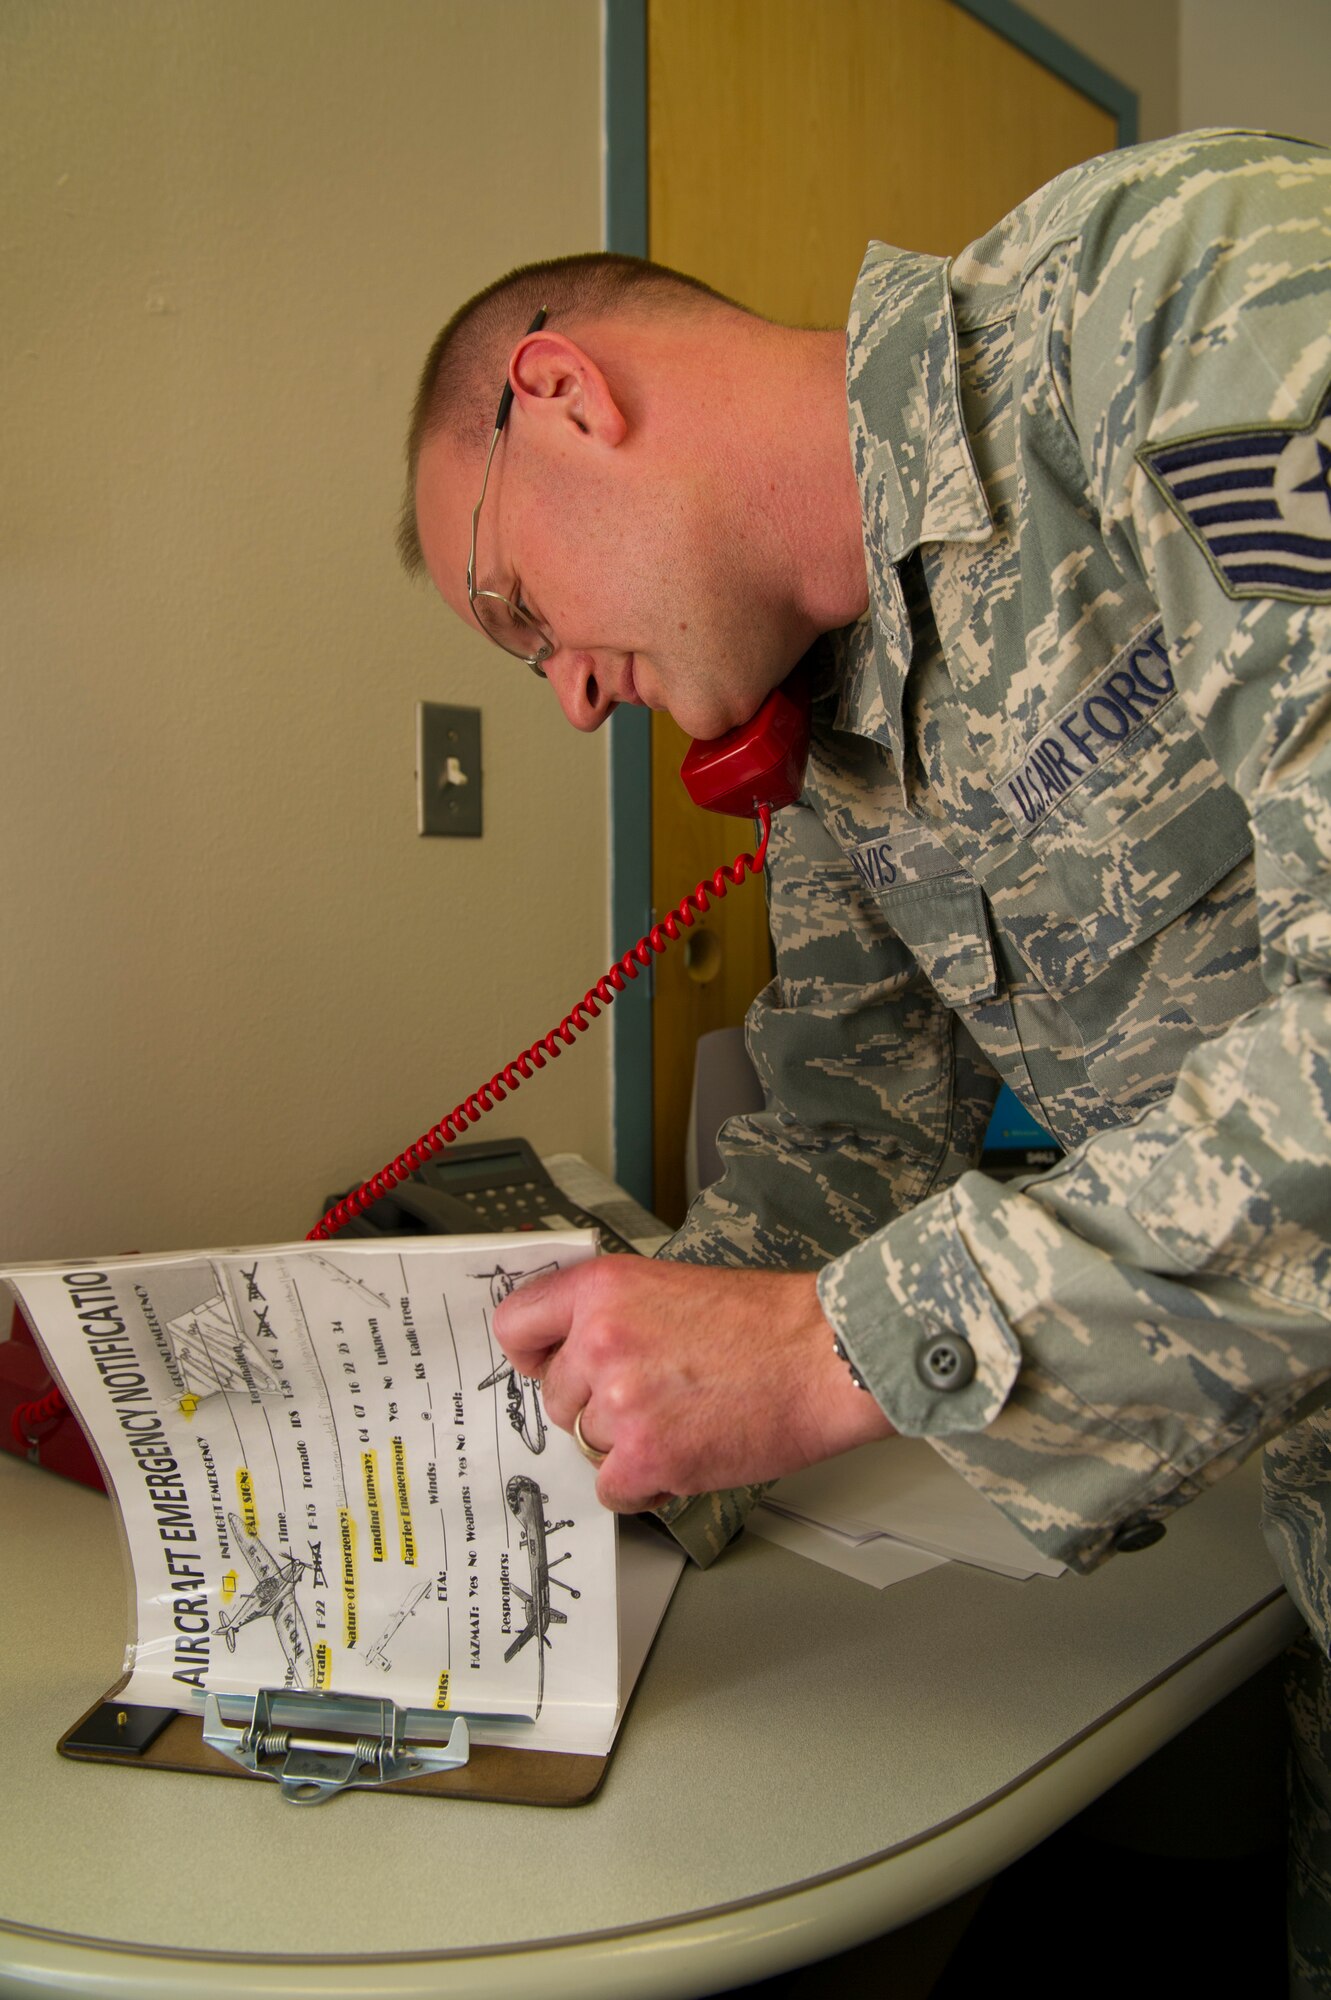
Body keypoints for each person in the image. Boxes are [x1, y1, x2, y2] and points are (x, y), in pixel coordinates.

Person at [402, 130, 1331, 1984]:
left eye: (517, 611)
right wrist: (613, 1434)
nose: (565, 692)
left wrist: (834, 1353)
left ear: (564, 393)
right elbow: (851, 1134)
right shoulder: (829, 737)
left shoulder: (1178, 298)